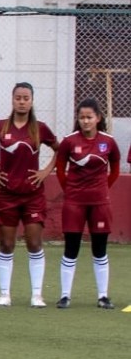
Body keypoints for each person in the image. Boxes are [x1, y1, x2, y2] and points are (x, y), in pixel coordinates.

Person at [0, 82, 56, 308]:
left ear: (32, 101)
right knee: (6, 244)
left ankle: (37, 295)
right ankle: (4, 294)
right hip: (6, 195)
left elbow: (61, 150)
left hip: (33, 195)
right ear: (12, 100)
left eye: (26, 98)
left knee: (34, 243)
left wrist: (45, 171)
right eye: (18, 98)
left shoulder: (40, 129)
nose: (22, 102)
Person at [55, 98, 119, 310]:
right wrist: (70, 191)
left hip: (100, 203)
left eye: (89, 117)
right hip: (74, 203)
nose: (85, 121)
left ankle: (103, 296)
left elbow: (115, 169)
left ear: (98, 118)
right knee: (71, 248)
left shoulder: (108, 142)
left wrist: (103, 189)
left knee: (99, 249)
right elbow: (60, 169)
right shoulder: (69, 141)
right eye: (82, 117)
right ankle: (65, 296)